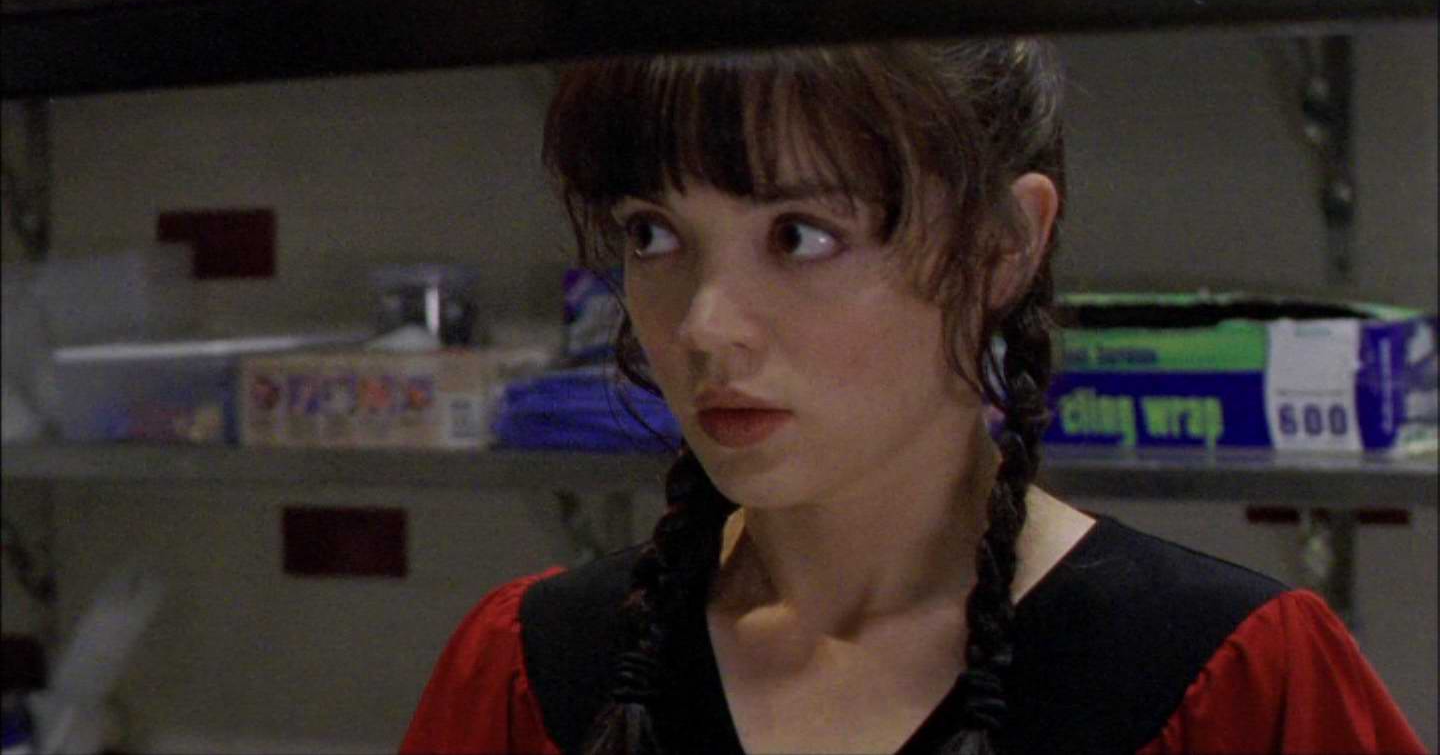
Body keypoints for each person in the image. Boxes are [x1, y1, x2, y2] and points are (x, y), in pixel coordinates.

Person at [400, 40, 1427, 755]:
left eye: (800, 235)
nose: (707, 324)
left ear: (1003, 246)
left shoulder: (1235, 684)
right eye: (653, 235)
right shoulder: (535, 673)